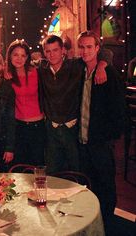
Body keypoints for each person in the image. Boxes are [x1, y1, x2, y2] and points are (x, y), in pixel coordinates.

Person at [38, 34, 109, 175]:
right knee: (52, 172)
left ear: (63, 50)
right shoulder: (41, 67)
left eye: (55, 50)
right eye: (48, 51)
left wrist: (102, 65)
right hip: (51, 128)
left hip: (72, 128)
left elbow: (107, 53)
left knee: (76, 170)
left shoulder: (75, 65)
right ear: (44, 52)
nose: (51, 55)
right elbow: (21, 64)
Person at [77, 30, 125, 235]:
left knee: (105, 185)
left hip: (100, 140)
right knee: (88, 184)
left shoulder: (107, 73)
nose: (85, 51)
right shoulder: (79, 70)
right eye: (82, 46)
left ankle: (108, 227)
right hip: (82, 139)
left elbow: (118, 109)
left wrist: (108, 137)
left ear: (98, 49)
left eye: (90, 47)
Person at [6, 39, 45, 167]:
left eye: (23, 55)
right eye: (15, 54)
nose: (19, 58)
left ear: (27, 57)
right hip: (18, 126)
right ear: (10, 55)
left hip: (38, 126)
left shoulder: (37, 71)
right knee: (20, 168)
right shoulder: (7, 75)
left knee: (38, 166)